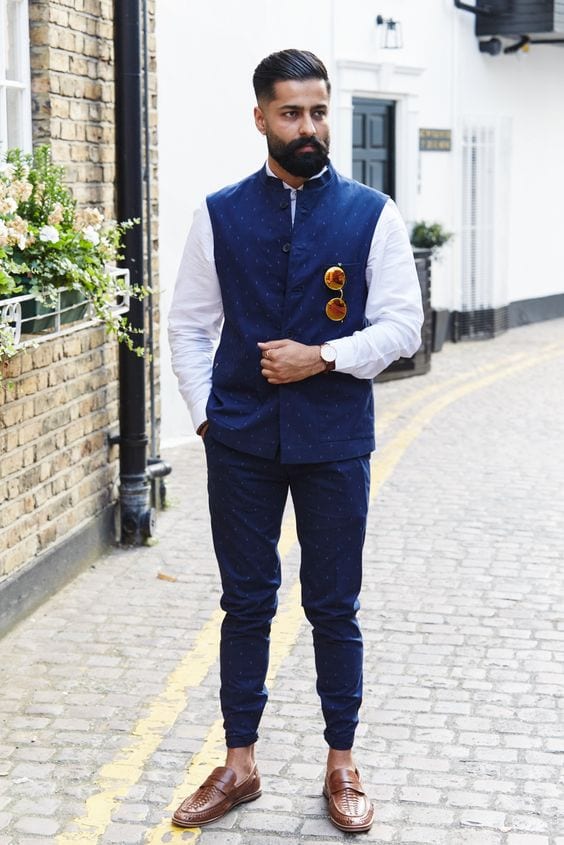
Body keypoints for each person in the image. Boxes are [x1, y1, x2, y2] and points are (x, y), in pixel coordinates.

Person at [168, 48, 423, 833]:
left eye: (317, 111)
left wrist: (325, 356)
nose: (308, 127)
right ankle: (238, 763)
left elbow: (404, 328)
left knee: (333, 604)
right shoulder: (218, 212)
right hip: (240, 440)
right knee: (245, 603)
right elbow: (188, 323)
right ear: (261, 119)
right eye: (290, 113)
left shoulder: (371, 213)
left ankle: (341, 762)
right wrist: (206, 415)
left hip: (336, 439)